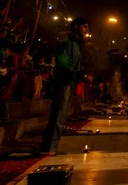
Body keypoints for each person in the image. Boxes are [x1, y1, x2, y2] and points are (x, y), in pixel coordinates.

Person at [41, 17, 91, 154]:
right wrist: (80, 75)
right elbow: (63, 63)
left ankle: (50, 146)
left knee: (61, 116)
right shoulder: (66, 43)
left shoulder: (77, 44)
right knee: (58, 115)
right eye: (84, 26)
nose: (86, 30)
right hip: (63, 83)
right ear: (76, 27)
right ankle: (50, 147)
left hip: (70, 83)